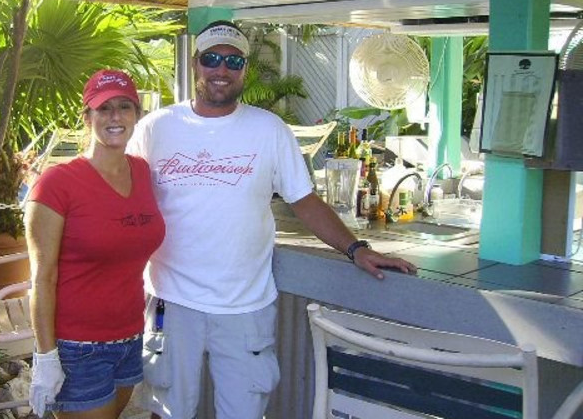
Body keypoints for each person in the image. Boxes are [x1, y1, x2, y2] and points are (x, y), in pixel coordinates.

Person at [128, 21, 417, 419]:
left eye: (233, 60)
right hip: (171, 301)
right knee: (168, 411)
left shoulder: (269, 129)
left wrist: (357, 249)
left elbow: (305, 201)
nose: (221, 69)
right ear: (196, 64)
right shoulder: (155, 128)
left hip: (245, 304)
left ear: (245, 69)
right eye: (212, 59)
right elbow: (123, 194)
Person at [26, 69, 166, 418]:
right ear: (87, 117)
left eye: (124, 107)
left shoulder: (143, 172)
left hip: (130, 338)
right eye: (103, 108)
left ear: (136, 115)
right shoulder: (56, 183)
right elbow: (42, 277)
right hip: (77, 348)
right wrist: (45, 357)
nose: (115, 117)